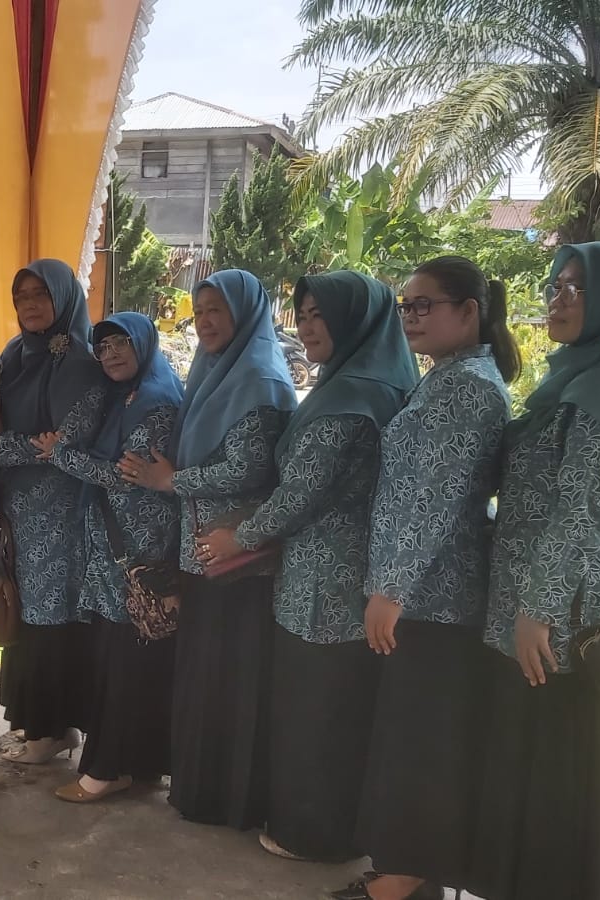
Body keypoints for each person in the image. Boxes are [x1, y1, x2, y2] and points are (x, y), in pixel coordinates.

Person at [466, 243, 600, 900]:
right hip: (541, 608)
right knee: (537, 766)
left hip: (565, 622)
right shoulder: (581, 376)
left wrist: (539, 608)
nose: (557, 299)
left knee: (555, 769)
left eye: (577, 289)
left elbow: (583, 507)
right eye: (555, 285)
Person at [200, 271, 416, 863]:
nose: (308, 325)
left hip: (325, 585)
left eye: (322, 314)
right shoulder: (377, 381)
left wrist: (235, 539)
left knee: (319, 710)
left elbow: (301, 495)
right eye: (304, 313)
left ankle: (316, 833)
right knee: (337, 705)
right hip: (351, 575)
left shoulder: (348, 400)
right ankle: (337, 826)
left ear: (357, 320)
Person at [331, 257, 518, 900]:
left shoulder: (468, 387)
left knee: (423, 739)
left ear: (469, 311)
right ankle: (402, 868)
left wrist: (392, 589)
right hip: (423, 591)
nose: (411, 317)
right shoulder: (451, 376)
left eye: (425, 305)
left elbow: (438, 497)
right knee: (408, 733)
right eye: (404, 306)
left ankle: (408, 876)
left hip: (434, 597)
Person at [123, 270, 296, 830]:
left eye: (217, 309)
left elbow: (250, 469)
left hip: (239, 560)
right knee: (204, 678)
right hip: (202, 554)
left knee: (232, 682)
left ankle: (230, 798)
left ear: (246, 312)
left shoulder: (260, 380)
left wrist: (170, 481)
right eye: (198, 312)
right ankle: (199, 788)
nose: (205, 322)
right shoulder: (213, 373)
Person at [36, 311, 181, 801]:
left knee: (124, 662)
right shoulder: (120, 398)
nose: (111, 354)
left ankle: (106, 768)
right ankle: (134, 765)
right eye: (103, 347)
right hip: (113, 551)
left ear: (145, 344)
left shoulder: (156, 404)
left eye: (122, 343)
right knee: (122, 659)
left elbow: (125, 473)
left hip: (136, 553)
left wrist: (59, 455)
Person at [0, 259, 107, 764]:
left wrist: (2, 442)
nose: (29, 304)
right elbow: (32, 439)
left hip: (59, 512)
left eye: (40, 294)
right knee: (29, 616)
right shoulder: (15, 353)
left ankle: (51, 730)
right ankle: (44, 727)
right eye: (21, 295)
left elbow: (70, 443)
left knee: (52, 618)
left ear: (63, 299)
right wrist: (24, 444)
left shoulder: (78, 362)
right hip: (18, 510)